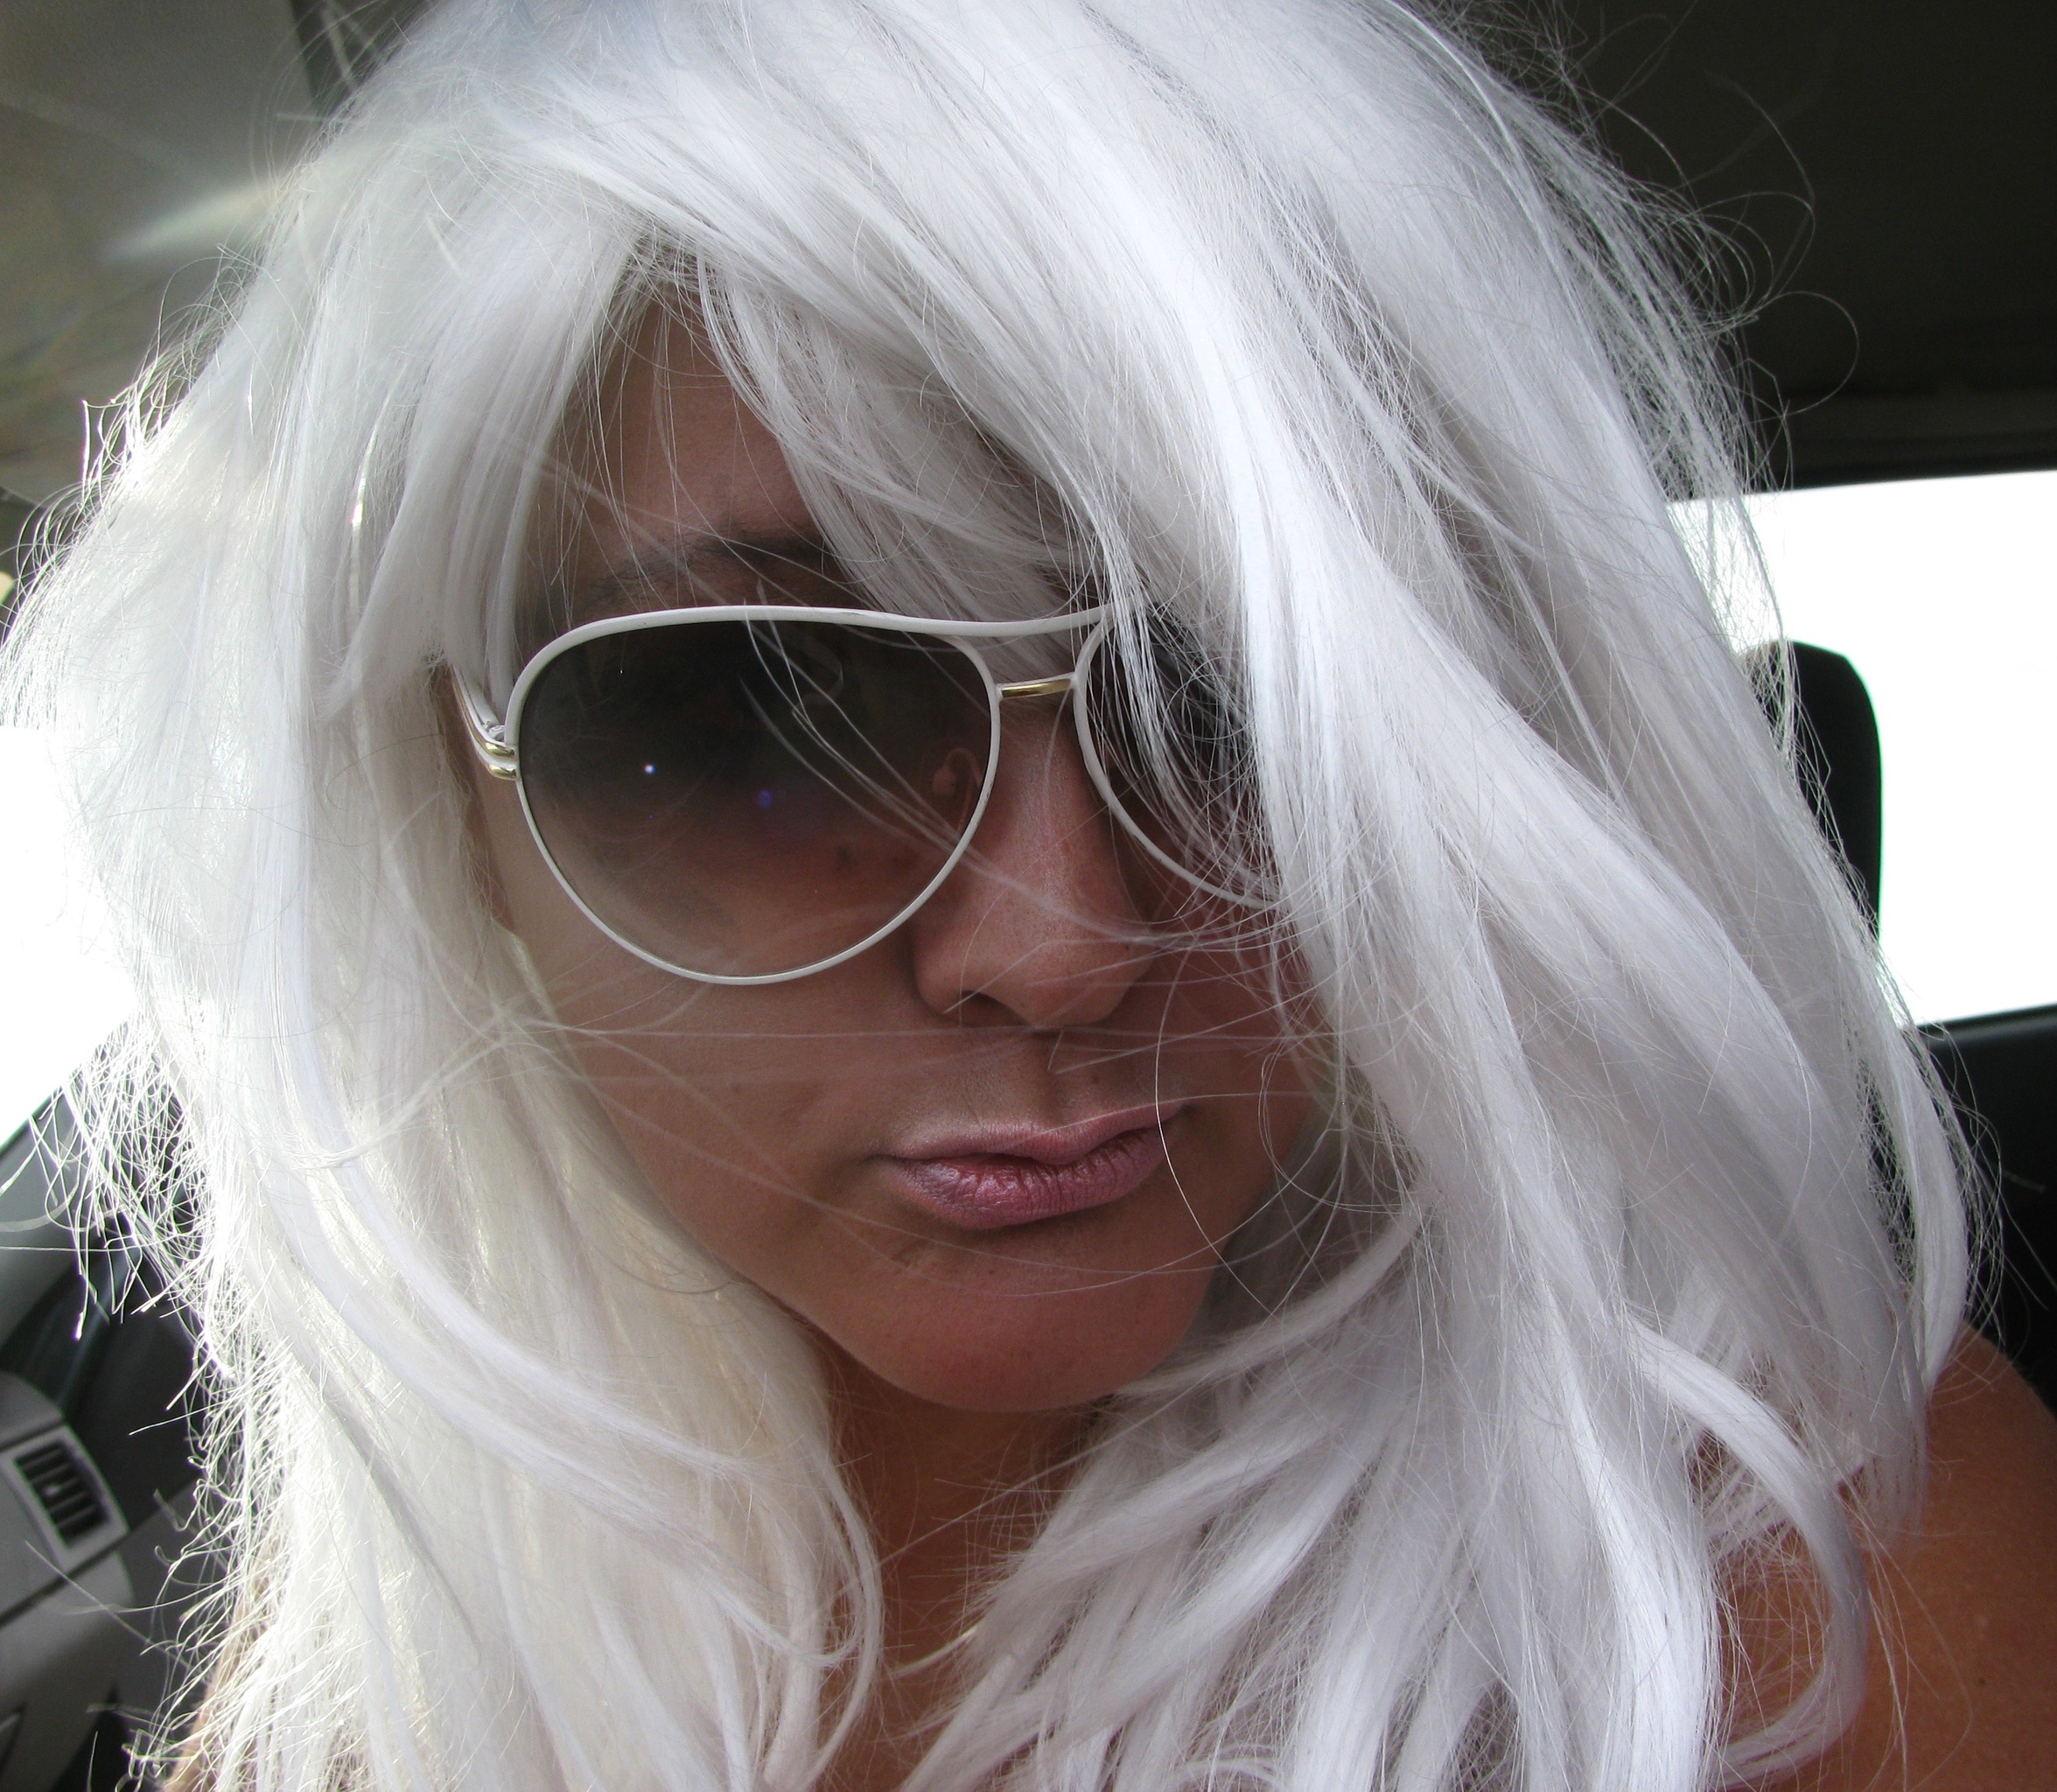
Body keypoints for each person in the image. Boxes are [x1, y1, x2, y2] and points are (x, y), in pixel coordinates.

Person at [6, 0, 2053, 1787]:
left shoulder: (1796, 1572)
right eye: (751, 713)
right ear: (447, 804)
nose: (1057, 948)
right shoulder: (430, 1587)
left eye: (1237, 698)